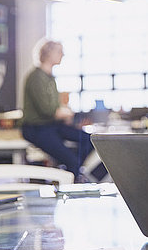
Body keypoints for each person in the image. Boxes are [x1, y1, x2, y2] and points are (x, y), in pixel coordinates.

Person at [21, 40, 99, 179]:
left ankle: (67, 169)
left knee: (90, 140)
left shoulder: (50, 78)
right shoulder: (36, 77)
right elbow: (48, 110)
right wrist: (65, 112)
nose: (62, 54)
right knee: (72, 161)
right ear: (48, 53)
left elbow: (55, 107)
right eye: (59, 51)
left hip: (52, 125)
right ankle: (69, 170)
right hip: (37, 128)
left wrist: (64, 112)